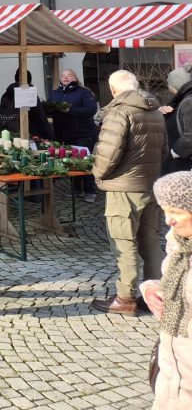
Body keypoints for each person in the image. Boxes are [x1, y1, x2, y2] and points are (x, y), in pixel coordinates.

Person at [90, 69, 167, 316]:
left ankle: (125, 297)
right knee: (151, 240)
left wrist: (97, 174)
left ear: (113, 90)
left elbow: (108, 153)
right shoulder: (155, 111)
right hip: (150, 184)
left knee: (124, 242)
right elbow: (163, 150)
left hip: (124, 187)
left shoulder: (119, 112)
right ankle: (156, 295)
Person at [139, 170, 192, 409]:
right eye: (164, 211)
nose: (168, 220)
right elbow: (177, 284)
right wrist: (152, 289)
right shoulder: (178, 244)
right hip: (171, 375)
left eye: (177, 212)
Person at [47, 68, 100, 202]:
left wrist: (70, 110)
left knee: (84, 161)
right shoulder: (55, 94)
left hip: (83, 134)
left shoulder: (84, 92)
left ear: (75, 78)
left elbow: (91, 109)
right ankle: (76, 189)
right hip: (64, 134)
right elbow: (49, 110)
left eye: (69, 75)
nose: (66, 77)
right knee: (71, 162)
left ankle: (90, 191)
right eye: (63, 76)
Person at [0, 70, 53, 140]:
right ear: (29, 80)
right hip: (29, 136)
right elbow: (41, 118)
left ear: (15, 78)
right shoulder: (29, 94)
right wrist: (49, 137)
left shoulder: (6, 94)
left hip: (8, 135)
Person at [161, 67, 192, 176]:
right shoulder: (183, 100)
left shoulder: (189, 102)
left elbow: (190, 137)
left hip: (182, 165)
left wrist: (174, 152)